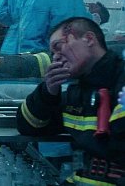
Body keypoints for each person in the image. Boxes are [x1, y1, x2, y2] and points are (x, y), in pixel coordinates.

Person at [16, 17, 125, 185]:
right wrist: (48, 92)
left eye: (59, 47)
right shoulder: (77, 94)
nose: (56, 58)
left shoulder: (120, 80)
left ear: (89, 39)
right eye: (53, 54)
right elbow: (28, 127)